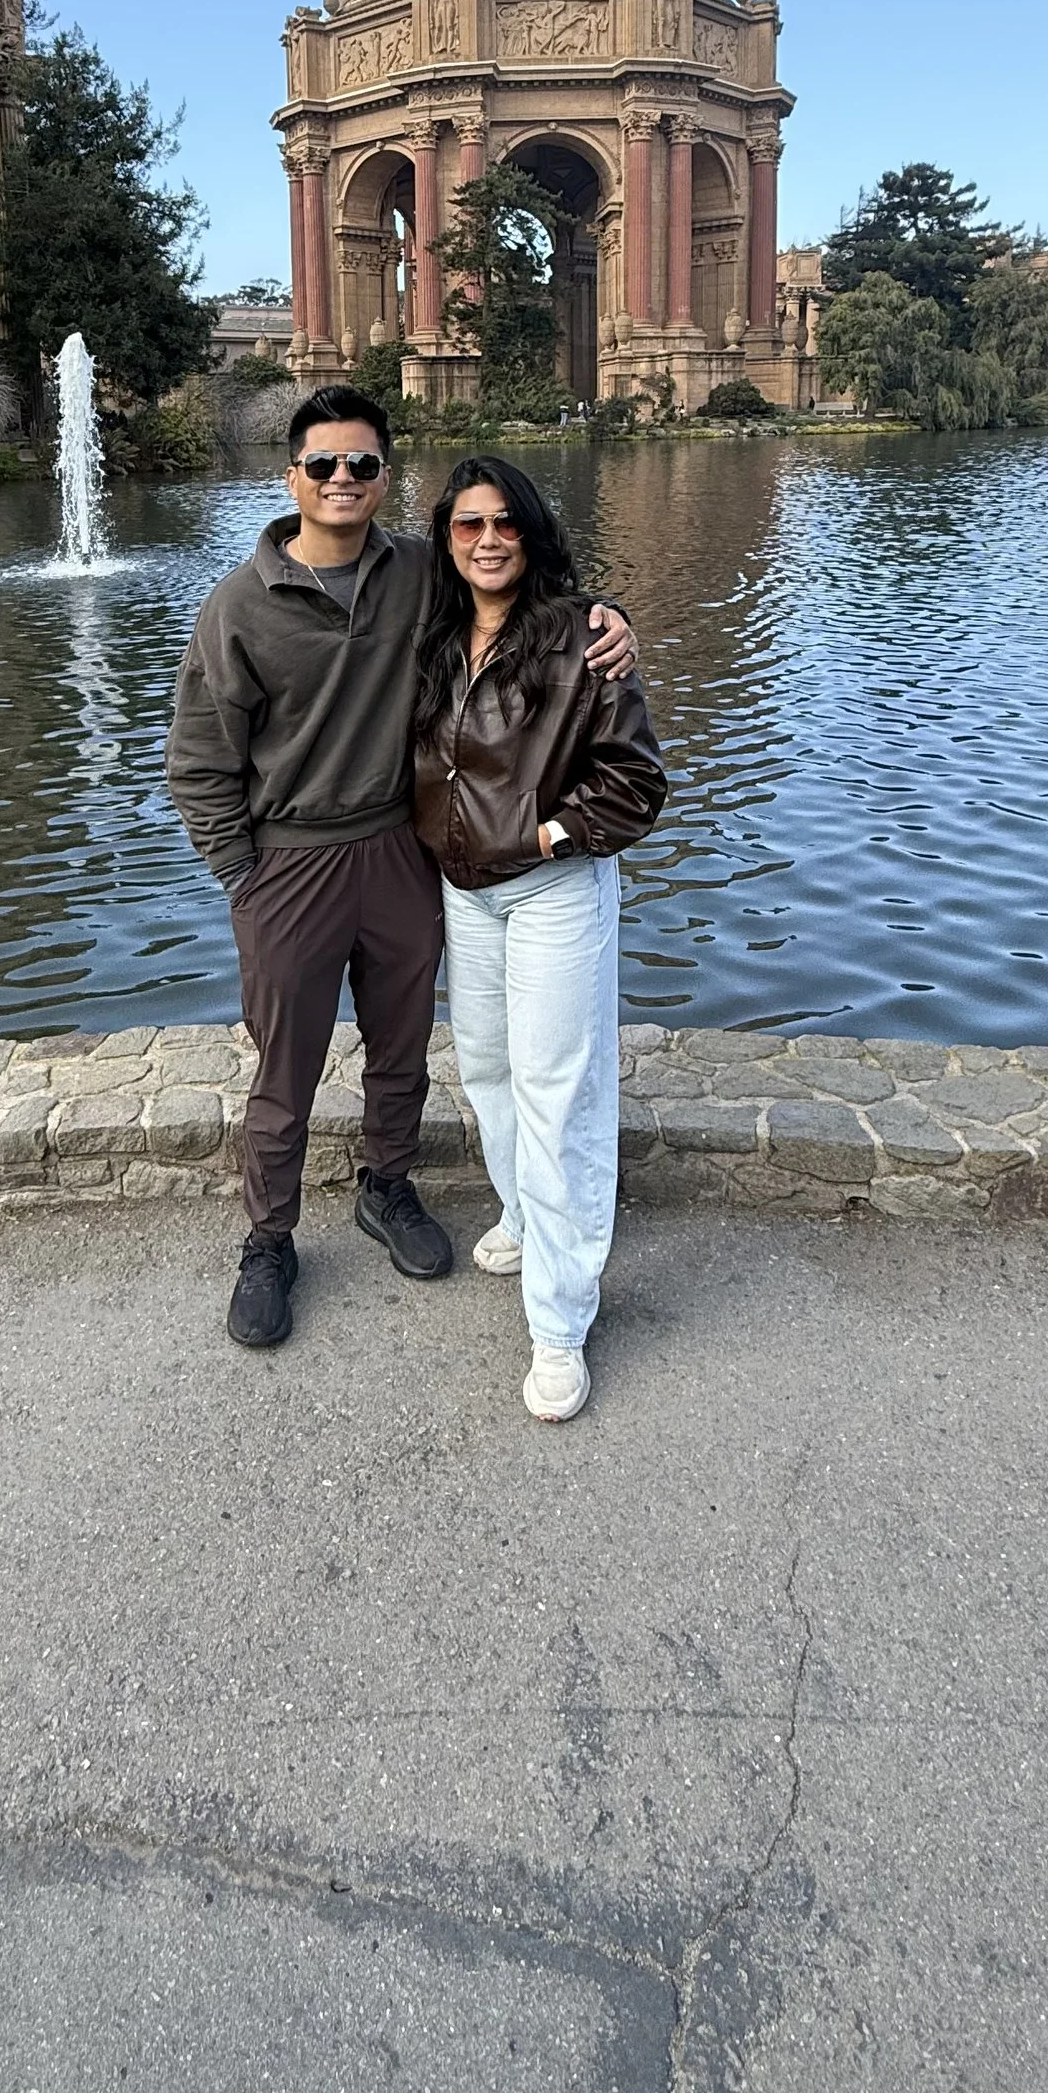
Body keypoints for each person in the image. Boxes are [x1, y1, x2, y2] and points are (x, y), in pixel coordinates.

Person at [165, 385, 637, 1351]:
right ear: (291, 474)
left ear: (385, 476)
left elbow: (523, 592)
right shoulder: (239, 605)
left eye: (365, 465)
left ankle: (387, 1184)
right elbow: (198, 756)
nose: (344, 480)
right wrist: (240, 874)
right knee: (284, 1062)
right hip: (289, 862)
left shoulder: (419, 573)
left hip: (399, 850)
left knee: (401, 1045)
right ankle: (269, 1238)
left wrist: (610, 615)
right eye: (325, 465)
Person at [412, 456, 667, 1424]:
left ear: (532, 532)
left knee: (561, 1093)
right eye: (468, 524)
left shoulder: (577, 636)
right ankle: (522, 1214)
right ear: (446, 538)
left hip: (553, 888)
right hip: (463, 891)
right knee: (486, 1068)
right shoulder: (433, 638)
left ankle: (559, 1323)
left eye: (505, 523)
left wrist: (542, 835)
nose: (487, 540)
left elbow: (633, 785)